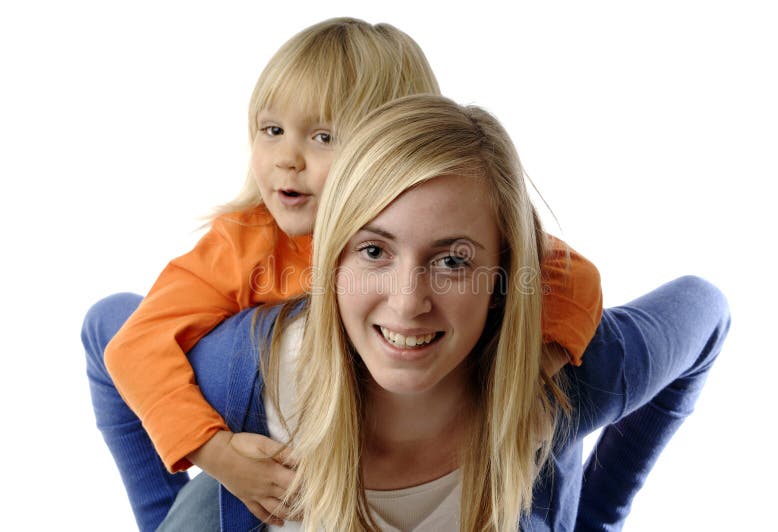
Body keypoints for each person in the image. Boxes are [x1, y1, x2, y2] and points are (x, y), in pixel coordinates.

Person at [81, 19, 602, 531]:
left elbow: (571, 275)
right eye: (272, 130)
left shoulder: (454, 223)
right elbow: (134, 343)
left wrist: (540, 362)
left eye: (324, 136)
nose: (288, 159)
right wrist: (217, 454)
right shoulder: (245, 242)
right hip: (266, 468)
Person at [155, 95, 730, 531]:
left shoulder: (567, 379)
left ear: (504, 275)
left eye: (453, 261)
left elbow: (705, 310)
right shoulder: (253, 371)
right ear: (328, 261)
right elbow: (112, 332)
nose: (408, 302)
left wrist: (597, 518)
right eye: (374, 250)